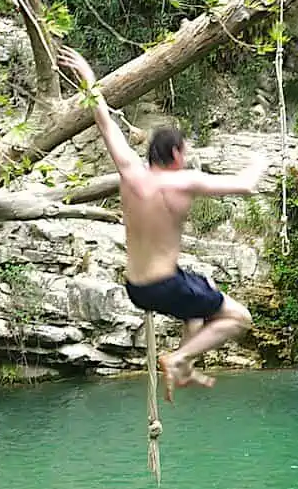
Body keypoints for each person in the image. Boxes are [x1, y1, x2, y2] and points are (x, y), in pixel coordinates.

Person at [58, 46, 265, 401]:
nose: (186, 159)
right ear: (174, 155)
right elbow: (246, 185)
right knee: (239, 317)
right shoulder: (185, 182)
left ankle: (184, 369)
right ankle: (180, 358)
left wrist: (88, 77)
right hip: (165, 286)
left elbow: (103, 119)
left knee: (199, 293)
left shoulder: (129, 171)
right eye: (183, 153)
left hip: (137, 288)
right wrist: (260, 159)